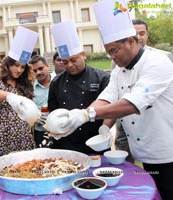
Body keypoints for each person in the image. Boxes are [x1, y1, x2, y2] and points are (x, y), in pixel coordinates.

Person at [49, 1, 173, 198]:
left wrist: (86, 113)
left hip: (166, 150)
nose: (112, 57)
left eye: (114, 50)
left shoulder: (156, 62)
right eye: (109, 52)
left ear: (131, 42)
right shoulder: (118, 70)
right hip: (142, 150)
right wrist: (78, 119)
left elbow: (131, 104)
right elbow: (107, 98)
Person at [112, 19, 173, 162]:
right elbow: (114, 91)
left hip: (155, 122)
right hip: (125, 119)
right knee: (128, 163)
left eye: (142, 33)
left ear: (147, 35)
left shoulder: (161, 58)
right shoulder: (119, 62)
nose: (139, 37)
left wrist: (86, 115)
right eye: (135, 33)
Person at [48, 21, 110, 154]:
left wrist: (105, 130)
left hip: (95, 140)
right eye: (65, 62)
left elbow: (110, 106)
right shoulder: (56, 82)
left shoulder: (102, 78)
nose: (69, 65)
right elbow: (53, 112)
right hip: (66, 142)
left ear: (83, 55)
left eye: (73, 60)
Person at [0, 26, 39, 157]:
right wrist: (8, 96)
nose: (19, 70)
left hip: (23, 136)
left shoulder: (24, 84)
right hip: (1, 136)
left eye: (22, 67)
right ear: (8, 64)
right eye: (16, 65)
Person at [29, 55, 54, 147]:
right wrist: (35, 118)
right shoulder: (30, 89)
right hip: (40, 131)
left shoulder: (59, 83)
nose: (38, 72)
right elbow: (27, 112)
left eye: (40, 68)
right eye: (35, 71)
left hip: (59, 130)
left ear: (47, 66)